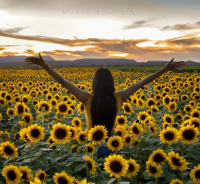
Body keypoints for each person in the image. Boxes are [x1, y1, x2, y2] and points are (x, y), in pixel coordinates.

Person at [25, 53, 185, 157]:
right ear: (111, 83)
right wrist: (164, 70)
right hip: (114, 142)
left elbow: (64, 82)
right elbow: (143, 82)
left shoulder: (88, 99)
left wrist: (45, 66)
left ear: (95, 83)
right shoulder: (118, 97)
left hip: (92, 145)